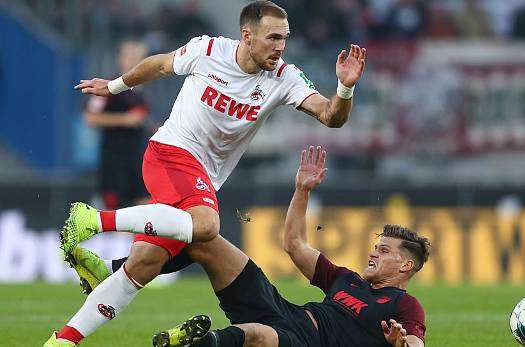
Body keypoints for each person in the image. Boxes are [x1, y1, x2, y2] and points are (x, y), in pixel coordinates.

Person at [45, 1, 367, 346]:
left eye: (284, 39)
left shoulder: (284, 77)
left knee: (141, 266)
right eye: (273, 38)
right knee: (207, 226)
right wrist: (115, 86)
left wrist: (344, 88)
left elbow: (331, 115)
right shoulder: (209, 49)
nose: (280, 47)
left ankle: (63, 339)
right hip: (170, 153)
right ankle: (93, 219)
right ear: (247, 35)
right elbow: (160, 65)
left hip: (203, 178)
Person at [69, 146, 430, 347]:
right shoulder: (348, 281)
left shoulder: (404, 305)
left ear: (405, 267)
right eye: (376, 246)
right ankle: (114, 270)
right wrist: (302, 190)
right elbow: (294, 243)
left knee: (255, 335)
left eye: (384, 251)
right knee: (202, 238)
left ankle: (196, 343)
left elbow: (416, 344)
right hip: (282, 308)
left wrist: (401, 345)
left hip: (305, 343)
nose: (373, 252)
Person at [85, 40, 150, 210]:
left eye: (138, 57)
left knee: (144, 204)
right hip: (115, 157)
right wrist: (124, 119)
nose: (134, 61)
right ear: (120, 59)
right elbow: (91, 118)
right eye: (129, 56)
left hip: (139, 157)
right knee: (114, 208)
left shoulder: (144, 89)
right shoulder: (109, 86)